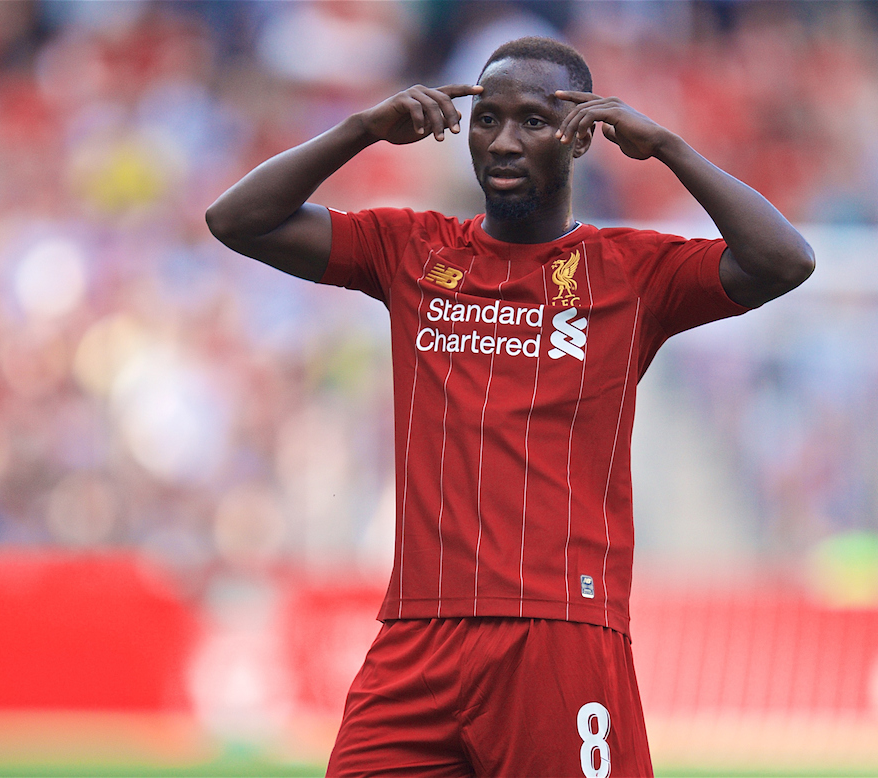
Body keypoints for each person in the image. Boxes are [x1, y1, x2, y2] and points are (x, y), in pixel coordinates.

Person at [207, 36, 812, 778]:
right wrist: (361, 129)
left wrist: (669, 149)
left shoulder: (632, 270)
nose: (502, 139)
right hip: (417, 635)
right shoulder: (410, 249)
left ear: (582, 134)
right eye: (486, 118)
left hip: (557, 631)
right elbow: (236, 221)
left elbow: (785, 260)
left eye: (532, 120)